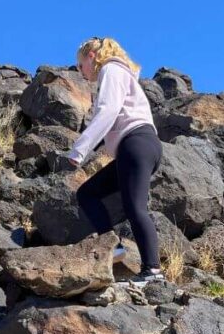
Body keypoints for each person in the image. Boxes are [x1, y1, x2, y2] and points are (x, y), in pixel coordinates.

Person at [63, 37, 164, 286]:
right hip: (137, 146)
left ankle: (153, 272)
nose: (80, 70)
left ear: (92, 56)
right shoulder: (120, 73)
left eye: (79, 64)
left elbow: (108, 112)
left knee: (135, 207)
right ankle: (114, 247)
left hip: (136, 143)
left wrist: (79, 151)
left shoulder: (111, 69)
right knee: (87, 193)